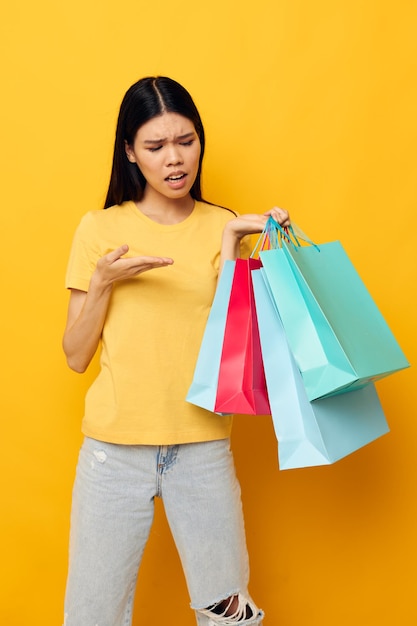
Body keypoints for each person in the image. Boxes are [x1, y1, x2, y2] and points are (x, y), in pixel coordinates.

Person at [62, 75, 289, 626]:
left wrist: (245, 248)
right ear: (130, 154)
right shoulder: (100, 229)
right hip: (113, 455)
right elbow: (74, 355)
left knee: (228, 613)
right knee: (93, 615)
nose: (174, 160)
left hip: (202, 450)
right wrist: (102, 282)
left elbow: (236, 345)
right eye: (156, 146)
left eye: (185, 141)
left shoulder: (222, 226)